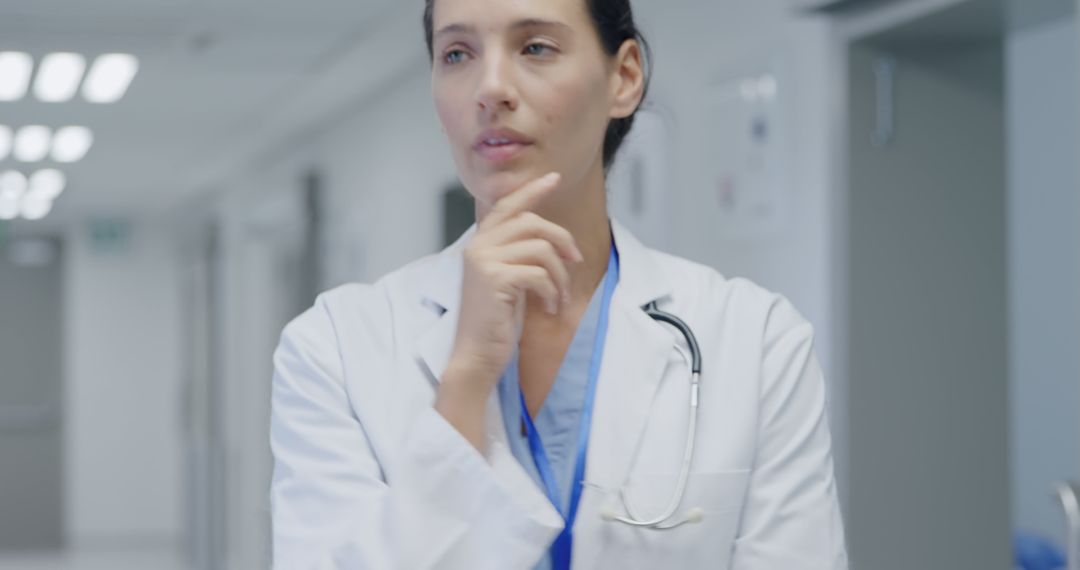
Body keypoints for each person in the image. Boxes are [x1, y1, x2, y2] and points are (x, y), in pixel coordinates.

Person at [269, 0, 849, 568]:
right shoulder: (334, 349)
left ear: (623, 78)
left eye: (535, 47)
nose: (490, 86)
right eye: (457, 53)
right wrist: (466, 380)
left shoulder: (758, 341)